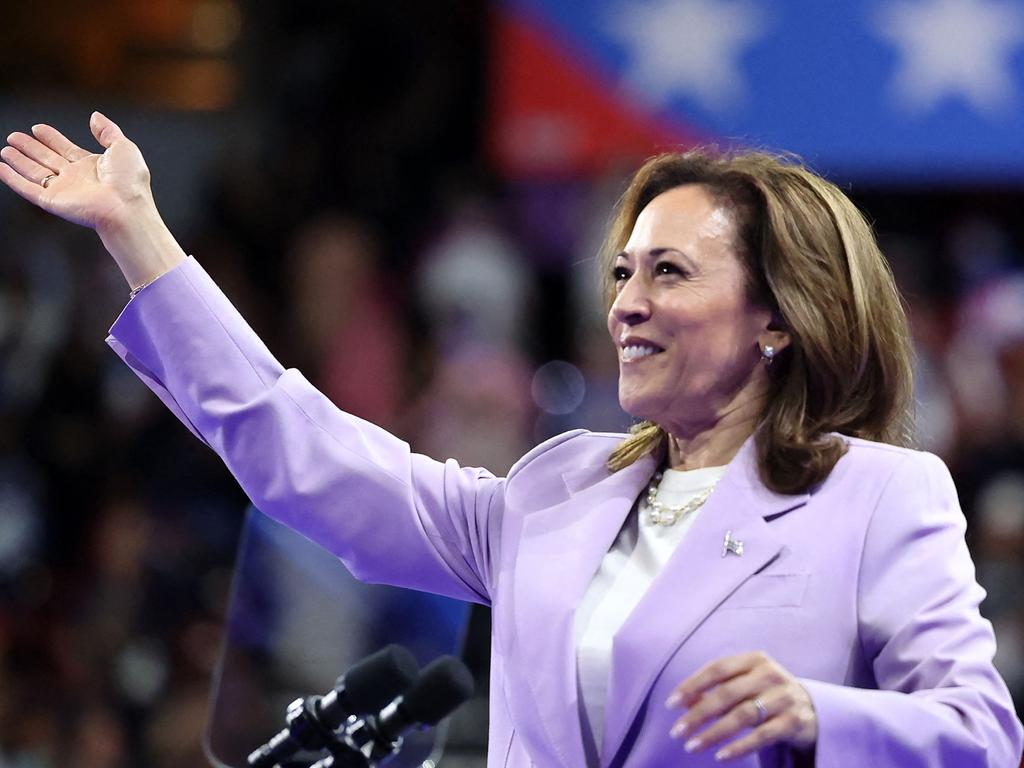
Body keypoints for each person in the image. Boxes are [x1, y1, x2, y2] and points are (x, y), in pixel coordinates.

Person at [1, 113, 1021, 768]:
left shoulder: (881, 495)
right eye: (621, 273)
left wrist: (814, 714)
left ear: (778, 317)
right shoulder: (554, 489)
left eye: (668, 272)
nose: (624, 304)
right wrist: (138, 232)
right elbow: (301, 455)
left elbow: (980, 733)